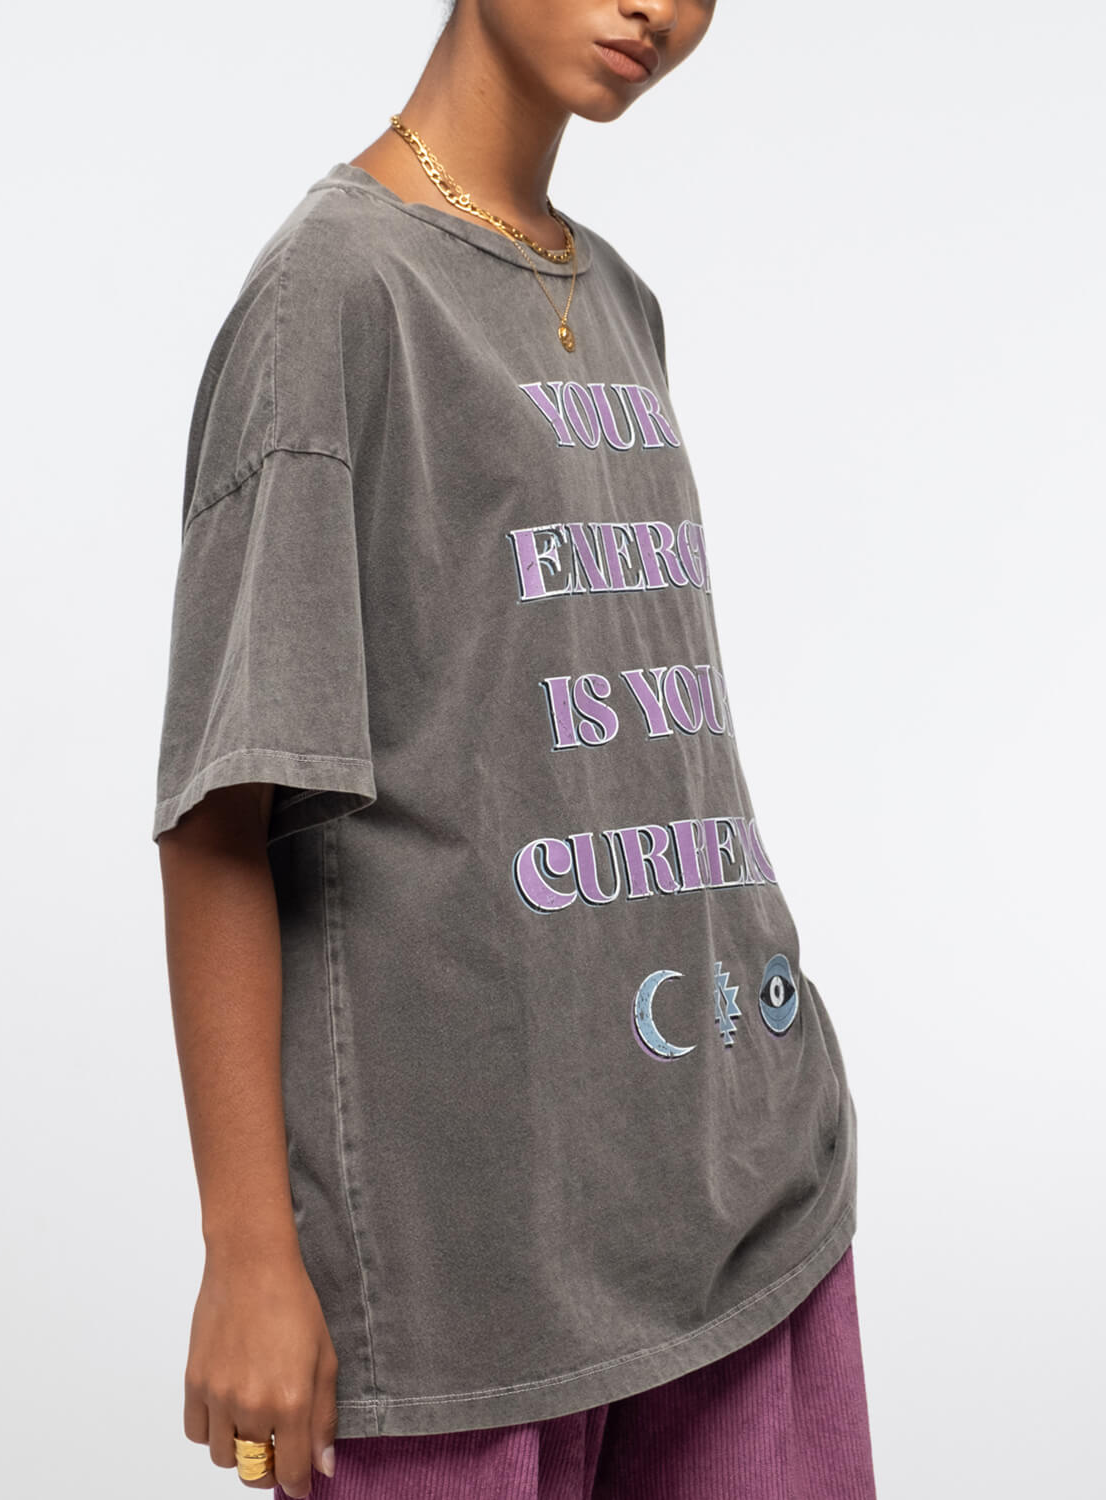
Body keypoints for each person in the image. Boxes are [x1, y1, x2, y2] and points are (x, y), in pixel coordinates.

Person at [151, 1, 877, 1496]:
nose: (658, 10)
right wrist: (249, 1252)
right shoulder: (335, 291)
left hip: (745, 1204)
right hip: (459, 1275)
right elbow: (222, 806)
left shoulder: (620, 302)